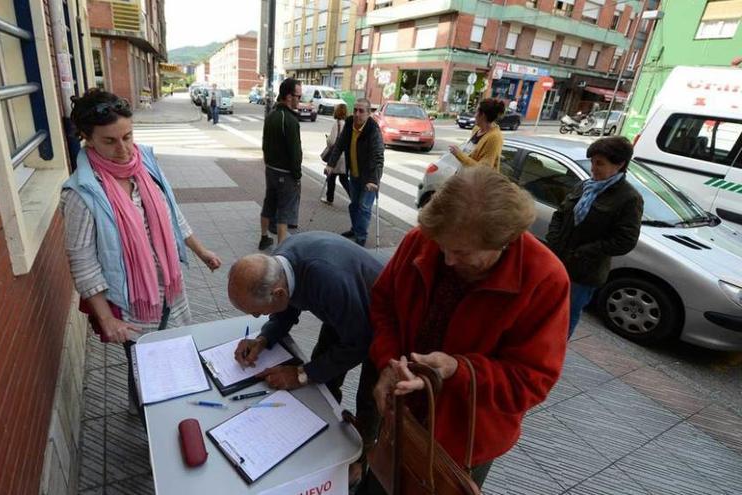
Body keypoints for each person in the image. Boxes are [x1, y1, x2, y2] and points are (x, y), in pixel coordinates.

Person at [364, 166, 569, 492]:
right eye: (442, 245)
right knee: (378, 486)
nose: (446, 259)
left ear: (503, 241)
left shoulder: (545, 278)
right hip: (402, 419)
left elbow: (531, 381)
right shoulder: (424, 240)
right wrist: (389, 362)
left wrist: (458, 369)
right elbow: (384, 305)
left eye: (460, 252)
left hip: (462, 441)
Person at [61, 89, 223, 417]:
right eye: (110, 141)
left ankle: (176, 407)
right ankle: (149, 418)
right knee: (144, 363)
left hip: (170, 289)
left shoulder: (145, 161)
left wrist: (201, 251)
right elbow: (82, 261)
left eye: (128, 136)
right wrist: (106, 318)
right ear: (87, 139)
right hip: (131, 298)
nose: (123, 149)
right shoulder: (80, 193)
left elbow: (170, 212)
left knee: (176, 351)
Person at [228, 231, 383, 485]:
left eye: (257, 311)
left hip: (381, 321)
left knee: (370, 398)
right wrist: (263, 339)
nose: (257, 317)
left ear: (277, 293)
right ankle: (324, 435)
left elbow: (358, 344)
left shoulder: (328, 280)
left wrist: (300, 374)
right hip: (344, 308)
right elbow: (287, 307)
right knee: (322, 374)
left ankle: (360, 459)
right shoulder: (281, 265)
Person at [546, 136, 643, 336]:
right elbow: (560, 215)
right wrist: (554, 238)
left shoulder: (629, 198)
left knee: (565, 317)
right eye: (592, 162)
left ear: (619, 165)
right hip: (558, 260)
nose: (593, 168)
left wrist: (585, 252)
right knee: (546, 311)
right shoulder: (584, 186)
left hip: (584, 272)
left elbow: (625, 240)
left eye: (600, 163)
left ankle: (551, 360)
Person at [327, 98, 384, 247]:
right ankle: (355, 228)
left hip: (369, 177)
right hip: (354, 173)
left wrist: (374, 180)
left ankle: (361, 236)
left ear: (369, 113)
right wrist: (331, 164)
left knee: (364, 207)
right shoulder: (350, 123)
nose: (357, 114)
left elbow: (378, 156)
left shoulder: (373, 130)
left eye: (361, 111)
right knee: (353, 205)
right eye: (355, 110)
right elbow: (339, 145)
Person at [259, 77, 303, 250]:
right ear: (287, 96)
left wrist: (268, 162)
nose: (299, 100)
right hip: (285, 173)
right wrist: (297, 176)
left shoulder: (272, 114)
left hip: (270, 170)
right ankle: (281, 252)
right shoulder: (290, 119)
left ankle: (264, 238)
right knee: (284, 212)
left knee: (268, 203)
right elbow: (295, 152)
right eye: (297, 96)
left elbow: (264, 143)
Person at [448, 98, 505, 171]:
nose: (474, 115)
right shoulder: (476, 129)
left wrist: (459, 154)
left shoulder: (494, 137)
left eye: (476, 112)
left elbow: (483, 170)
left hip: (477, 181)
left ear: (483, 115)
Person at [321, 102, 350, 205]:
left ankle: (329, 199)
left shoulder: (337, 124)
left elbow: (332, 141)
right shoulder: (347, 124)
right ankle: (354, 198)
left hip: (336, 156)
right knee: (344, 179)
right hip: (344, 156)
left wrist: (327, 139)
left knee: (331, 177)